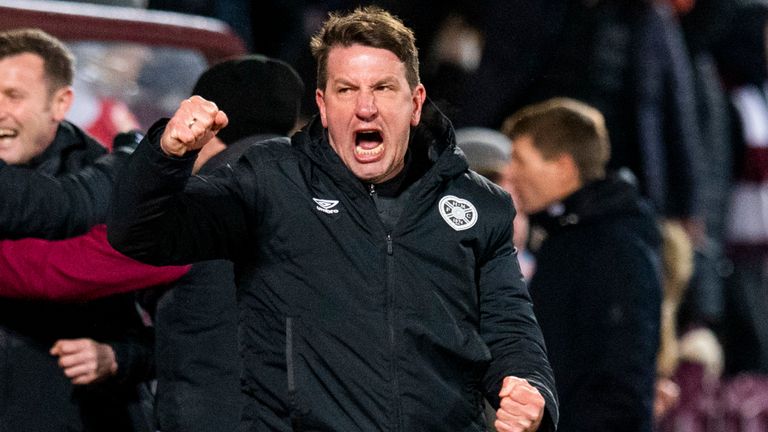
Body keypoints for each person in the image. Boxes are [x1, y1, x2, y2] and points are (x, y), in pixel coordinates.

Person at [108, 6, 558, 432]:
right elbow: (141, 233)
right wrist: (165, 156)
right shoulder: (271, 181)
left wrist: (530, 390)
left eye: (383, 88)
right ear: (323, 106)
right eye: (347, 90)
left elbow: (511, 330)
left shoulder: (479, 205)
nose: (366, 108)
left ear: (416, 102)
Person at [0, 28, 179, 432]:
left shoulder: (114, 191)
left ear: (61, 102)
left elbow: (183, 334)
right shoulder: (115, 179)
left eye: (13, 96)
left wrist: (117, 357)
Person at [151, 54, 304, 432]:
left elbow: (113, 259)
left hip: (211, 412)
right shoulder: (325, 193)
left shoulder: (202, 201)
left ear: (211, 125)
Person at [502, 97, 662, 431]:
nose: (510, 173)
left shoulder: (615, 248)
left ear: (562, 166)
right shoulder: (566, 238)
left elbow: (620, 381)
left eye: (519, 159)